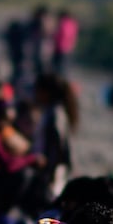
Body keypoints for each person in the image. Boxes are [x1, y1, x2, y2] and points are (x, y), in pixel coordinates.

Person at [32, 73, 79, 203]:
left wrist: (52, 170)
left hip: (53, 171)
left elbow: (60, 145)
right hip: (51, 169)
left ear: (46, 92)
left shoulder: (55, 114)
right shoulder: (51, 111)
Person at [51, 9, 79, 76]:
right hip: (69, 49)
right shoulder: (73, 23)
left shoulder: (63, 23)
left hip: (60, 49)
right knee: (65, 68)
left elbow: (60, 35)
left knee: (58, 68)